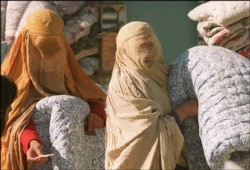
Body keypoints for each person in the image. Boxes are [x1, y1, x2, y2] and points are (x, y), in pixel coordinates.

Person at [1, 9, 106, 170]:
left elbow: (94, 96)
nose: (46, 56)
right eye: (40, 47)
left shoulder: (71, 74)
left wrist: (96, 113)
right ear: (26, 44)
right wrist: (31, 141)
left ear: (63, 45)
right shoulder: (9, 81)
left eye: (54, 48)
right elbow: (13, 118)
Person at [105, 21, 198, 170]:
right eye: (141, 48)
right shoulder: (125, 84)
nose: (148, 53)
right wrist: (184, 111)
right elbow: (142, 138)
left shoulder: (165, 73)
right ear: (125, 50)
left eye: (151, 45)